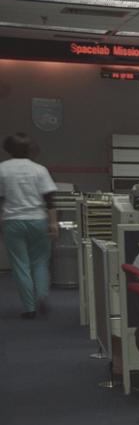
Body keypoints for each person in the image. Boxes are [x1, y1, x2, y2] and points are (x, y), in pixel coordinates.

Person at [0, 132, 58, 319]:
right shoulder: (39, 169)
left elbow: (0, 199)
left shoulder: (2, 169)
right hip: (37, 220)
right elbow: (49, 199)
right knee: (40, 262)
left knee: (20, 265)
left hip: (13, 221)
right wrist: (53, 222)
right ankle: (41, 295)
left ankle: (29, 307)